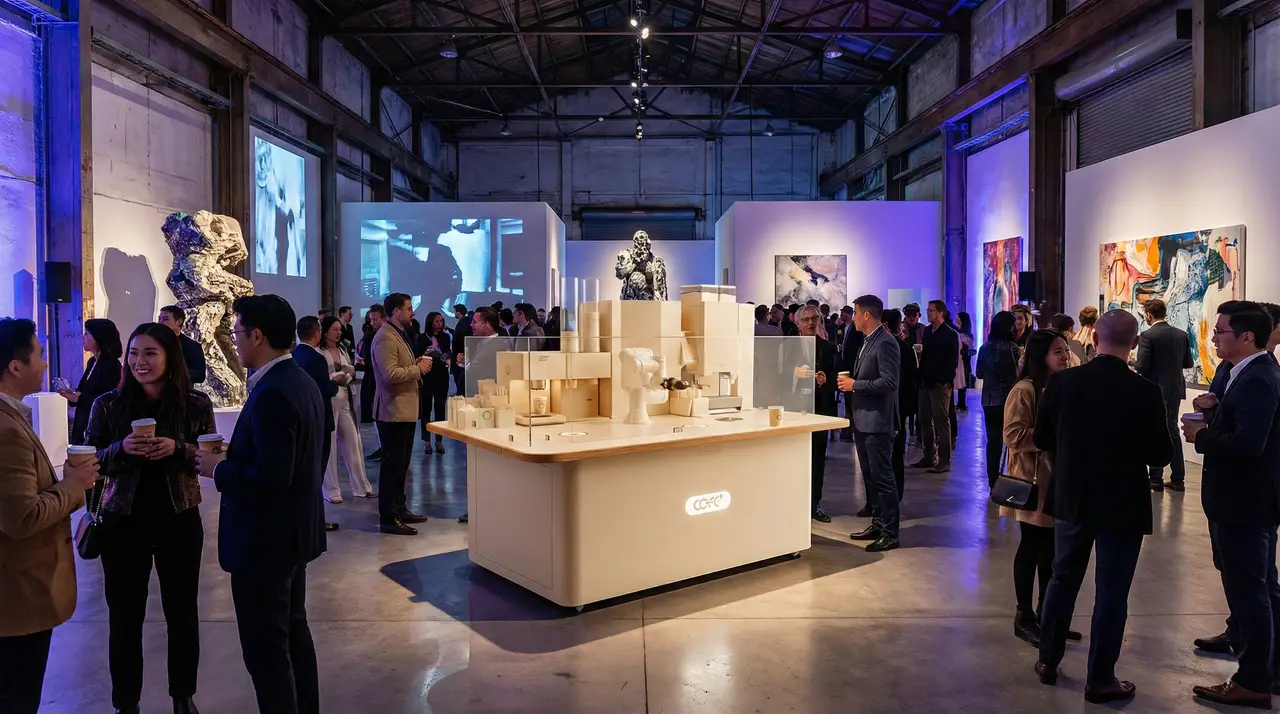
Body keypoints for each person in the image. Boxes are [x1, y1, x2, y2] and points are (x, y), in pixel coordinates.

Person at [1032, 310, 1171, 704]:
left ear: (1096, 339)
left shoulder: (1062, 383)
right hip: (1122, 503)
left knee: (1062, 579)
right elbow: (1159, 454)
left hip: (1073, 496)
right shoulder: (1144, 391)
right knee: (1112, 592)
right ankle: (1100, 679)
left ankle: (1047, 660)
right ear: (1134, 341)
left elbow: (1043, 438)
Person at [195, 294, 326, 714]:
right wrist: (238, 452)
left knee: (267, 652)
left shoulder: (272, 392)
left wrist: (217, 468)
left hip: (264, 542)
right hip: (290, 534)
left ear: (257, 335)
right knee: (292, 635)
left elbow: (272, 478)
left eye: (236, 333)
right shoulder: (300, 380)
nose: (234, 342)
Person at [85, 322, 215, 714]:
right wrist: (121, 449)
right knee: (125, 617)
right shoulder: (108, 404)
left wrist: (177, 448)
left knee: (182, 612)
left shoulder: (195, 404)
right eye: (134, 353)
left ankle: (182, 696)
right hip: (122, 522)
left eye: (150, 353)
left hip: (178, 518)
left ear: (169, 357)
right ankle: (126, 703)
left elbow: (211, 458)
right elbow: (88, 460)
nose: (140, 362)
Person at [0, 318, 99, 714]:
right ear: (15, 367)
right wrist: (75, 486)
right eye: (39, 355)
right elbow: (21, 517)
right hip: (18, 597)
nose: (45, 365)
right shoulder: (6, 431)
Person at [1183, 306, 1280, 709]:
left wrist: (1203, 434)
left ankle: (1255, 679)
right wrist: (1212, 413)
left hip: (1246, 502)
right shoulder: (1245, 373)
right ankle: (1257, 668)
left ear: (1247, 338)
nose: (1214, 338)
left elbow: (1247, 445)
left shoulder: (1259, 378)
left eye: (1221, 332)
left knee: (1251, 590)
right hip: (1236, 499)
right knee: (1246, 588)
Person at [1003, 329, 1078, 649]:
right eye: (1056, 351)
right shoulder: (1025, 390)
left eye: (1065, 350)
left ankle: (1050, 615)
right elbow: (1014, 436)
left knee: (1054, 554)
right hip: (1033, 482)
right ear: (1040, 357)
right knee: (1034, 550)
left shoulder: (1065, 386)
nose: (1064, 356)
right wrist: (1054, 436)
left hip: (1061, 481)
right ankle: (1025, 616)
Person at [838, 295, 901, 552]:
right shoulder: (868, 340)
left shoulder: (886, 342)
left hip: (877, 422)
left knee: (883, 478)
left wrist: (856, 385)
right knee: (871, 478)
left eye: (855, 313)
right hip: (864, 420)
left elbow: (889, 382)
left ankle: (890, 532)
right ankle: (878, 524)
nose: (852, 318)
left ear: (866, 315)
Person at [372, 293, 432, 536]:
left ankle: (400, 507)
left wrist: (414, 364)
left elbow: (397, 368)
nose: (412, 312)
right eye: (408, 308)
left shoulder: (396, 334)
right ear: (396, 311)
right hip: (392, 411)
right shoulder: (386, 337)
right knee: (393, 466)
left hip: (403, 410)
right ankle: (389, 517)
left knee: (401, 464)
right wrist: (417, 368)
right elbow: (389, 375)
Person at [1134, 298, 1194, 493]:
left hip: (1154, 390)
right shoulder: (1181, 335)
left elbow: (1141, 366)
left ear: (1149, 315)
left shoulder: (1147, 335)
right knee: (1172, 431)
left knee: (1154, 430)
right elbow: (1188, 363)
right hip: (1174, 389)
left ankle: (1155, 479)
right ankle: (1178, 479)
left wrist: (1129, 362)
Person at [293, 317, 343, 527]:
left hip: (300, 421)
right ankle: (314, 520)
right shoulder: (317, 359)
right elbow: (324, 389)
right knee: (316, 473)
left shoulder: (292, 356)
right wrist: (335, 382)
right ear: (317, 333)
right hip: (320, 419)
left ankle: (302, 518)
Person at [318, 316, 374, 501]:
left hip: (345, 398)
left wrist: (347, 375)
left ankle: (361, 486)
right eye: (334, 329)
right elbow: (320, 377)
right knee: (330, 444)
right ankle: (331, 491)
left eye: (339, 329)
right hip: (329, 399)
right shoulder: (319, 352)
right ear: (325, 332)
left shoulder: (342, 349)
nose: (338, 332)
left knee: (353, 440)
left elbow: (350, 372)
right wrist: (334, 376)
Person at [59, 317, 123, 445]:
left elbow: (109, 401)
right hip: (84, 423)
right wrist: (72, 395)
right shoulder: (92, 361)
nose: (83, 337)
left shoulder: (111, 365)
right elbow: (85, 392)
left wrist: (79, 399)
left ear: (99, 338)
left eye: (87, 333)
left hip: (98, 429)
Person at [976, 312, 1021, 488]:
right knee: (1011, 441)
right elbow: (1019, 373)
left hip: (988, 400)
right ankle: (1010, 480)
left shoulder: (984, 347)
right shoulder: (1012, 348)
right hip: (1008, 399)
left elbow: (979, 373)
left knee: (992, 442)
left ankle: (993, 482)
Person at [914, 300, 959, 473]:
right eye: (928, 310)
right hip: (926, 381)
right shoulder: (927, 331)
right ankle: (928, 455)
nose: (928, 313)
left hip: (940, 384)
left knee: (941, 421)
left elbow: (951, 362)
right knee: (924, 419)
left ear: (941, 313)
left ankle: (944, 460)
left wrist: (944, 381)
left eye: (931, 311)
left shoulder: (950, 334)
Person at [883, 309, 916, 505]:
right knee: (895, 456)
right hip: (899, 408)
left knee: (892, 457)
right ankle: (893, 498)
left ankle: (891, 501)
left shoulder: (894, 348)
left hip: (893, 408)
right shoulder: (905, 348)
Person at [417, 311, 452, 454]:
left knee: (440, 408)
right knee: (426, 409)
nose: (439, 324)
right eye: (436, 321)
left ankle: (439, 440)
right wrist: (427, 353)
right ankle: (426, 441)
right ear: (430, 322)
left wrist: (440, 353)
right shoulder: (421, 337)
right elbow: (417, 356)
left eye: (441, 321)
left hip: (441, 376)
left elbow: (447, 354)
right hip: (427, 375)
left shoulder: (445, 337)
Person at [357, 304, 385, 460]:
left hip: (378, 380)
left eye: (374, 319)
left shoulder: (379, 337)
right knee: (377, 414)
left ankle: (385, 447)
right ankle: (383, 446)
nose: (372, 322)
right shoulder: (370, 336)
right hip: (373, 380)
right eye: (371, 319)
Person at [158, 305, 207, 384]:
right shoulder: (153, 342)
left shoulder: (192, 346)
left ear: (179, 321)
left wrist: (171, 373)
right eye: (159, 319)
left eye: (165, 319)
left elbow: (200, 375)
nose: (160, 322)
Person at [840, 306, 866, 443]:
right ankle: (849, 429)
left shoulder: (856, 330)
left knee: (852, 401)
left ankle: (852, 429)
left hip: (852, 370)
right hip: (847, 368)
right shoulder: (848, 328)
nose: (842, 315)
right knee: (848, 402)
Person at [956, 312, 975, 410]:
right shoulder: (965, 333)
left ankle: (961, 403)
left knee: (963, 382)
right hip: (963, 360)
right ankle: (961, 403)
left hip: (963, 361)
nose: (956, 319)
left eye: (958, 317)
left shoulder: (963, 334)